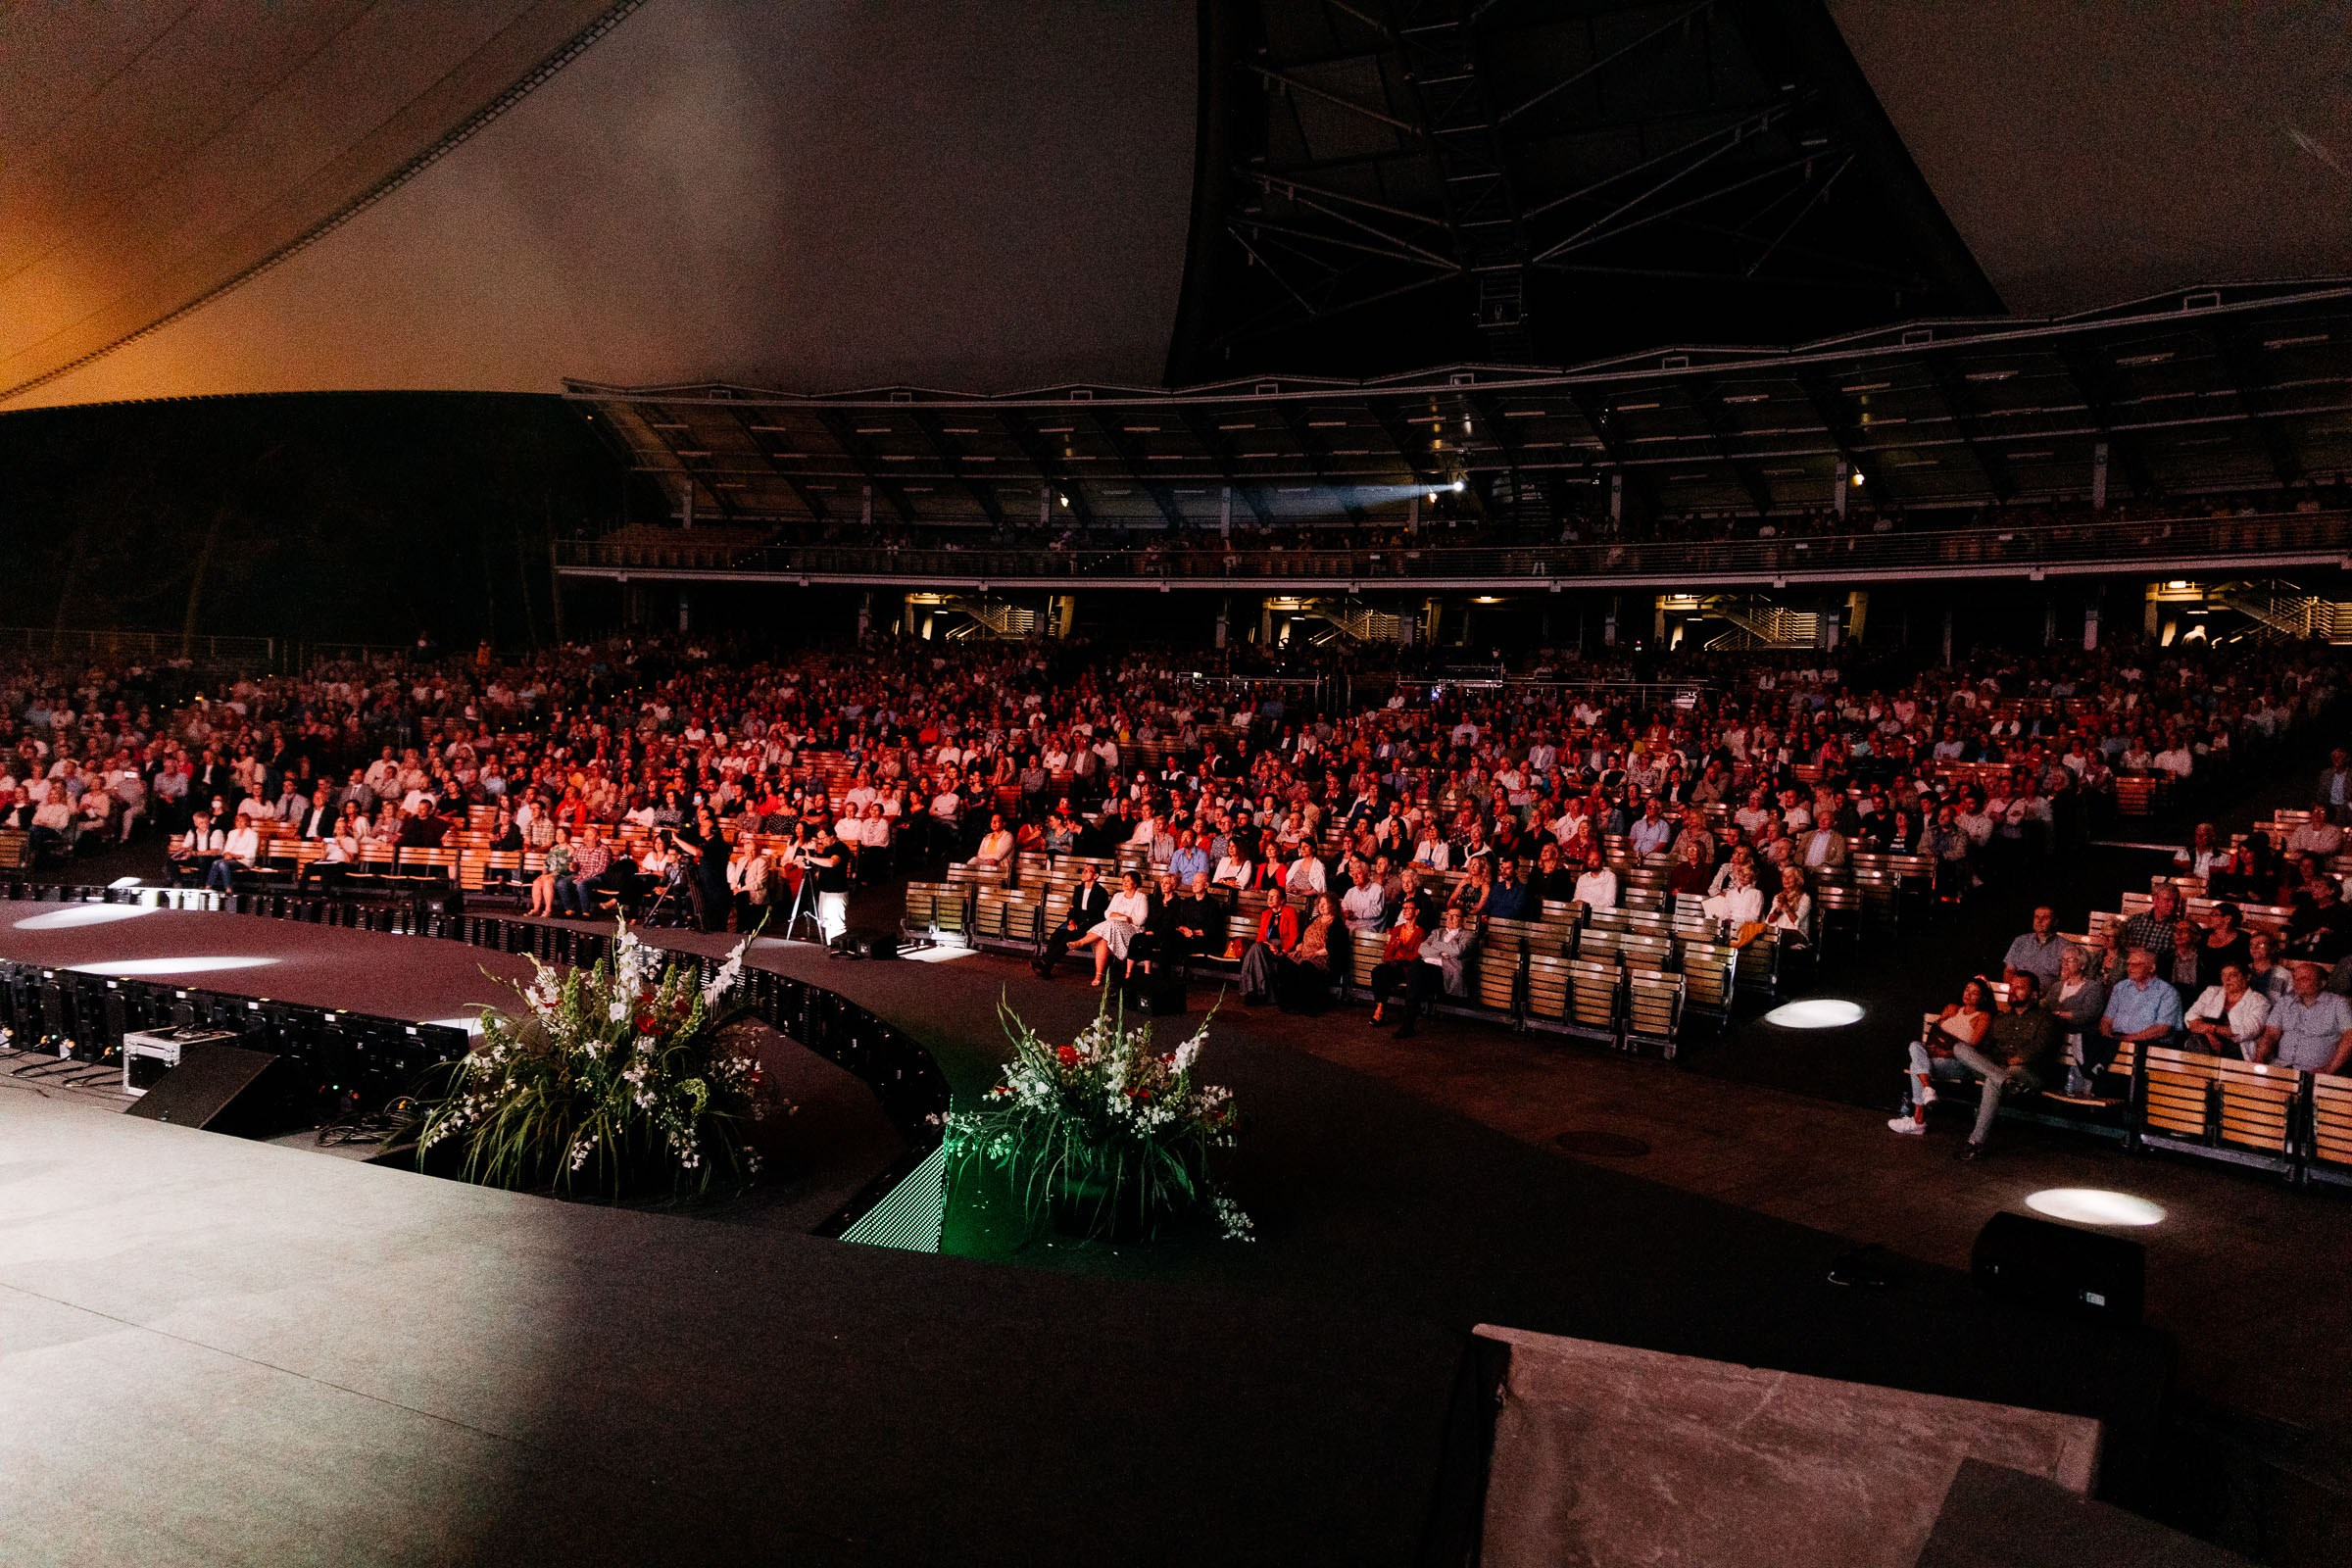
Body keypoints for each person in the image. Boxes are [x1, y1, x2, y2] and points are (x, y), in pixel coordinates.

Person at [1889, 977, 2005, 1148]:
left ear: (1982, 998)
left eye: (1974, 993)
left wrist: (1946, 1053)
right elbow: (1935, 1032)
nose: (1968, 994)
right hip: (1934, 1055)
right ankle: (1927, 1090)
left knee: (1916, 1066)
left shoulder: (1983, 1016)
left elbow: (1971, 1048)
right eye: (1967, 990)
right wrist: (1937, 1038)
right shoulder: (1952, 1008)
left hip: (1959, 1062)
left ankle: (1919, 1119)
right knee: (1914, 1045)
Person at [2094, 947, 2185, 1086]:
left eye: (2136, 964)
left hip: (2146, 1046)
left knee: (2124, 1058)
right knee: (2093, 1043)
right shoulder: (2120, 987)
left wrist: (2127, 1039)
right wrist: (2108, 1036)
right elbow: (2107, 1020)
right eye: (2129, 964)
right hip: (2116, 1041)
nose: (2130, 968)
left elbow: (2162, 1029)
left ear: (2151, 968)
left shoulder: (2168, 992)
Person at [1391, 905, 1474, 1040]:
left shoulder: (1469, 935)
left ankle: (1407, 1024)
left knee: (1416, 974)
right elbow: (1422, 949)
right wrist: (1445, 951)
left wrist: (1435, 946)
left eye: (1455, 916)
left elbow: (1458, 951)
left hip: (1445, 973)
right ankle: (1407, 1024)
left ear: (1464, 920)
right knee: (1417, 967)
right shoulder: (1437, 932)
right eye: (1448, 915)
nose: (1450, 919)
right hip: (1426, 969)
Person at [2043, 943, 2109, 1096]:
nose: (2065, 964)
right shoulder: (2057, 986)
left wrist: (2060, 1015)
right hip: (2056, 1038)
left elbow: (2089, 1014)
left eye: (2070, 960)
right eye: (2063, 960)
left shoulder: (2093, 987)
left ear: (2082, 965)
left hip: (2082, 1039)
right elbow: (2045, 1008)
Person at [2265, 961, 2352, 1074]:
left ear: (2321, 983)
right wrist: (2258, 1060)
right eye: (2296, 978)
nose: (2297, 983)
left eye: (2304, 979)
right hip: (2281, 1067)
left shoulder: (2338, 1003)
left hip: (2315, 1073)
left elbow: (2349, 1037)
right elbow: (2270, 1035)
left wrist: (2329, 1069)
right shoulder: (2284, 1002)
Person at [1071, 869, 1152, 989]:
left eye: (1128, 881)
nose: (1124, 883)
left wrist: (1124, 917)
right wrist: (1117, 916)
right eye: (1123, 880)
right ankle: (1098, 976)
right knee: (1103, 939)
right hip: (1112, 928)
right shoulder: (1118, 896)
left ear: (1135, 884)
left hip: (1133, 930)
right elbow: (1107, 913)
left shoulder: (1141, 897)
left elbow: (1141, 919)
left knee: (1111, 925)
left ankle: (1082, 941)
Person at [2185, 963, 2272, 1061]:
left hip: (2238, 1050)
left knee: (2197, 1043)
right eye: (2223, 975)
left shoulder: (2259, 1001)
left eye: (2233, 975)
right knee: (2197, 1041)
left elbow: (2249, 1030)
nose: (2227, 979)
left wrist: (2212, 1029)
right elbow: (2190, 1016)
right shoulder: (2212, 991)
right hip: (2206, 1041)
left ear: (2247, 977)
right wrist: (2209, 1034)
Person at [1276, 892, 1342, 1013]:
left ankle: (1304, 1005)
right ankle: (1288, 1002)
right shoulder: (1315, 919)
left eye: (1325, 904)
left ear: (1332, 905)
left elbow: (1333, 947)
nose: (1321, 906)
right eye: (1320, 903)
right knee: (1284, 962)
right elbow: (1302, 936)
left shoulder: (1337, 923)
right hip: (1305, 954)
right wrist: (1299, 948)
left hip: (1323, 957)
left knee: (1306, 966)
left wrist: (1315, 953)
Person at [1237, 884, 1301, 1004]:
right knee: (1257, 948)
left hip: (1282, 947)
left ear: (1282, 900)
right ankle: (1258, 992)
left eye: (1274, 896)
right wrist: (1268, 945)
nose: (1270, 899)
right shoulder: (1266, 913)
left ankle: (1252, 992)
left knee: (1254, 950)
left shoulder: (1290, 911)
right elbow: (1261, 936)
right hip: (1266, 947)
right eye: (1268, 896)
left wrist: (1282, 951)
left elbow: (1294, 937)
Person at [1366, 906, 1427, 1025]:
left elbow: (1416, 956)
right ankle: (1380, 1007)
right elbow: (1387, 955)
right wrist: (1393, 948)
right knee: (1378, 971)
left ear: (1416, 911)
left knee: (1386, 974)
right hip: (1394, 964)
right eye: (1404, 908)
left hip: (1408, 968)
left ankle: (1384, 1010)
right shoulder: (1397, 929)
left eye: (1409, 908)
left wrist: (1401, 949)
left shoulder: (1420, 932)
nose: (1405, 910)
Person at [2001, 906, 2074, 993]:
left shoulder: (2066, 947)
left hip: (2047, 996)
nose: (2039, 921)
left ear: (2055, 922)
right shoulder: (2020, 941)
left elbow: (2068, 979)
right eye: (2036, 917)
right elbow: (2009, 971)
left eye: (2045, 918)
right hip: (2019, 993)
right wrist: (2013, 991)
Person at [805, 827, 853, 944]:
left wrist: (810, 858)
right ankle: (830, 946)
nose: (822, 841)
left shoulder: (841, 848)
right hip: (825, 889)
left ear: (832, 836)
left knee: (836, 924)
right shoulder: (827, 848)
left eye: (823, 838)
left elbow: (832, 862)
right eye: (819, 839)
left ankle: (838, 948)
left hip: (836, 891)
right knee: (826, 922)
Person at [205, 815, 262, 891]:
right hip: (231, 859)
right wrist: (227, 854)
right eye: (237, 821)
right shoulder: (232, 833)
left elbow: (251, 854)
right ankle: (208, 886)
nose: (239, 823)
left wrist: (235, 855)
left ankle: (228, 888)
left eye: (242, 821)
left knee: (222, 864)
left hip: (244, 861)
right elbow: (226, 849)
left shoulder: (252, 834)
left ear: (247, 822)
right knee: (216, 862)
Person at [531, 827, 573, 918]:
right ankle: (536, 909)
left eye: (561, 834)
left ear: (567, 836)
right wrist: (544, 873)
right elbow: (546, 863)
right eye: (557, 834)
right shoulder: (553, 849)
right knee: (537, 882)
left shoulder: (570, 849)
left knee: (548, 882)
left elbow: (567, 866)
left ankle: (548, 910)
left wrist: (551, 875)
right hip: (550, 874)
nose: (558, 836)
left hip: (562, 875)